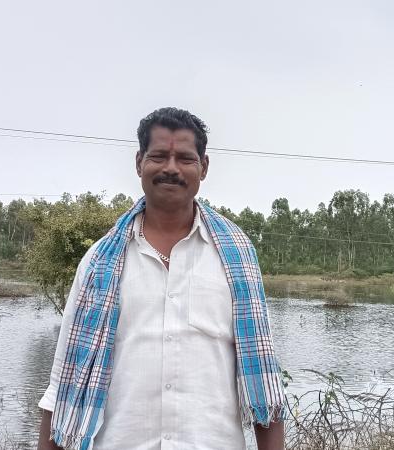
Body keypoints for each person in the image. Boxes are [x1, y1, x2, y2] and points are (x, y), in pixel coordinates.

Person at [37, 107, 287, 450]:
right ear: (139, 162)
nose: (171, 168)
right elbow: (62, 383)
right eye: (159, 156)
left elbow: (265, 384)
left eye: (185, 158)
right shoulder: (99, 262)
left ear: (204, 167)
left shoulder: (237, 259)